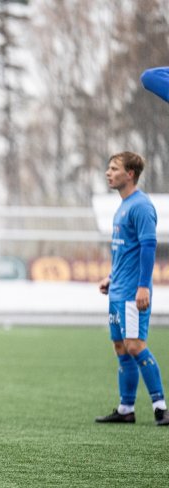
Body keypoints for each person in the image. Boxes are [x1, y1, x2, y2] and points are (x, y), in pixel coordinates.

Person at [95, 152, 168, 426]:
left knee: (136, 346)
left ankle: (161, 408)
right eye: (108, 167)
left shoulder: (141, 206)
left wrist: (143, 287)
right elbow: (126, 251)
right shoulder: (123, 205)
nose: (108, 172)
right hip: (118, 290)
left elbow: (149, 247)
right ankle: (126, 409)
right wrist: (111, 277)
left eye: (114, 168)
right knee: (121, 347)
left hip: (132, 294)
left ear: (130, 174)